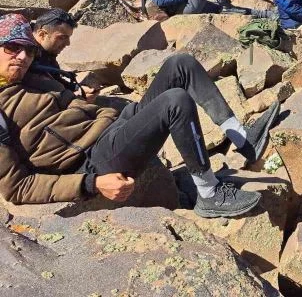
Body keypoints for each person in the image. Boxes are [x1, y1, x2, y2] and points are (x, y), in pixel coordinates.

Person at [0, 14, 280, 216]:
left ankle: (242, 138)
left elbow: (56, 99)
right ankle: (208, 193)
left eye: (28, 50)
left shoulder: (31, 73)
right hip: (92, 159)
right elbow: (18, 188)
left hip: (111, 126)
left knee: (180, 63)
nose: (23, 57)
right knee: (175, 101)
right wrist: (91, 183)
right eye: (13, 48)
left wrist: (83, 97)